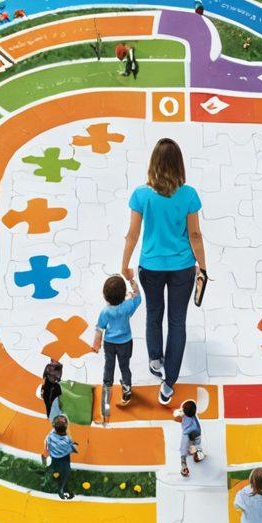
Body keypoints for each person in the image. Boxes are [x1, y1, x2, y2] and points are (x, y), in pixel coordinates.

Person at [121, 139, 208, 406]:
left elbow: (132, 234)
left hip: (150, 267)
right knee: (177, 322)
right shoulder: (189, 195)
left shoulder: (141, 195)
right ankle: (169, 383)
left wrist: (124, 264)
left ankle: (155, 359)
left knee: (154, 314)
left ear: (153, 163)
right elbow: (195, 235)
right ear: (179, 164)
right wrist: (203, 267)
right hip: (182, 268)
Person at [92, 274, 141, 409]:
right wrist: (134, 286)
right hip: (126, 342)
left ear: (105, 296)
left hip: (109, 344)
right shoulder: (128, 305)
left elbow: (99, 329)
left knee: (109, 365)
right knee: (124, 367)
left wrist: (96, 344)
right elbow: (138, 299)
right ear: (124, 294)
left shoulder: (105, 312)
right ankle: (127, 390)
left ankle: (107, 388)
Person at [45, 414, 79, 500]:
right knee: (66, 472)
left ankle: (53, 473)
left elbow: (48, 443)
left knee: (56, 468)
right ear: (66, 427)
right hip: (63, 459)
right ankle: (62, 489)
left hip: (54, 456)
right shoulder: (67, 439)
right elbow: (72, 449)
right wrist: (74, 446)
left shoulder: (51, 435)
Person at [177, 398, 204, 477]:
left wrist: (183, 464)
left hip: (190, 435)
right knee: (196, 445)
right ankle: (197, 452)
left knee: (186, 448)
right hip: (197, 434)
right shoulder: (192, 416)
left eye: (183, 409)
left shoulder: (187, 427)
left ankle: (184, 465)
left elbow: (184, 446)